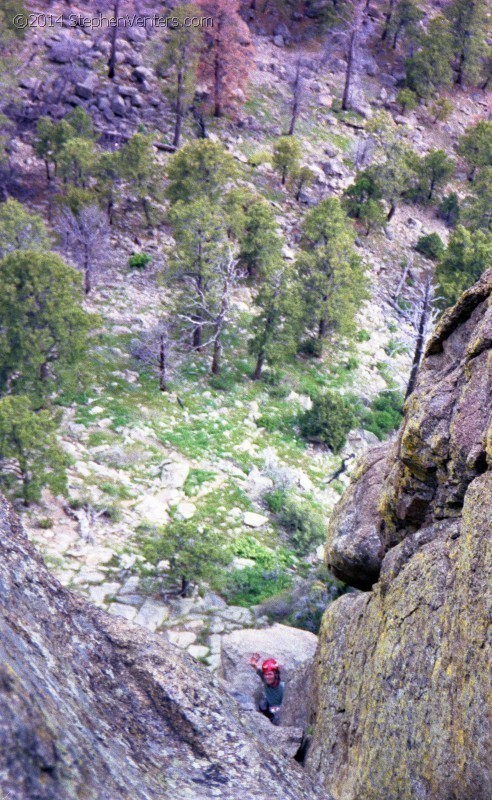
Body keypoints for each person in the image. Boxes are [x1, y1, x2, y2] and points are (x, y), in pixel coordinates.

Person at [248, 652, 284, 725]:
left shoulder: (283, 688)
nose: (267, 677)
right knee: (262, 704)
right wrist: (254, 664)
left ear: (275, 674)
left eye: (270, 674)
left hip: (279, 710)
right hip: (270, 706)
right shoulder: (265, 679)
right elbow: (257, 669)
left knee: (276, 714)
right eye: (266, 674)